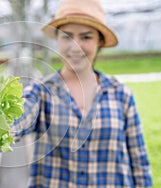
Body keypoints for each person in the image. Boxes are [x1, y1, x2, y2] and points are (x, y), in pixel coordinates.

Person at [12, 0, 153, 187]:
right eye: (67, 37)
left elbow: (139, 161)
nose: (75, 46)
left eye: (86, 37)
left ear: (99, 41)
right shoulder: (41, 92)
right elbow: (16, 120)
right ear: (57, 39)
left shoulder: (120, 94)